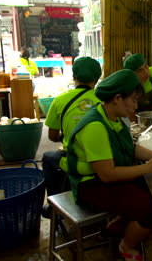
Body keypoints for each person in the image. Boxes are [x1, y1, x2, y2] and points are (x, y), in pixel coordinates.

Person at [64, 69, 152, 260]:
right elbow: (107, 174)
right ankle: (126, 246)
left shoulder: (113, 118)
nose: (135, 106)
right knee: (150, 208)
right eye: (133, 100)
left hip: (105, 180)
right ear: (117, 98)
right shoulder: (95, 126)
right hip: (90, 185)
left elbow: (130, 148)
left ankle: (117, 225)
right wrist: (148, 167)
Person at [41, 57, 102, 211]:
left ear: (74, 77)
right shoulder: (105, 100)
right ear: (97, 78)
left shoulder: (60, 100)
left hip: (77, 161)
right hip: (105, 161)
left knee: (48, 158)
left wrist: (68, 136)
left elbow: (52, 137)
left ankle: (54, 205)